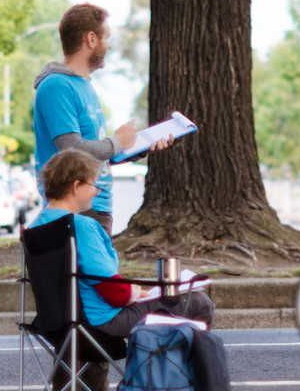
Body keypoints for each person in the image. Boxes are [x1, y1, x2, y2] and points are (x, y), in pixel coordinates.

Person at [30, 150, 215, 390]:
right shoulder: (81, 226)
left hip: (56, 325)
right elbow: (115, 294)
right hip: (99, 323)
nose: (96, 191)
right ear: (76, 186)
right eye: (94, 185)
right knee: (199, 302)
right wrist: (136, 292)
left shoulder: (36, 226)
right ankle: (178, 381)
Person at [33, 3, 173, 236]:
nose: (109, 45)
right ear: (91, 39)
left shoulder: (84, 85)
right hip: (76, 209)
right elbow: (71, 149)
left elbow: (95, 156)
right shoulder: (56, 86)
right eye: (107, 38)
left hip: (95, 206)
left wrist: (137, 147)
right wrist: (116, 141)